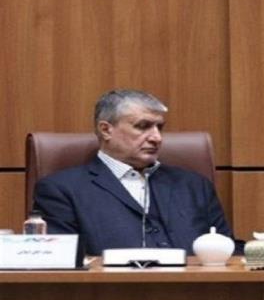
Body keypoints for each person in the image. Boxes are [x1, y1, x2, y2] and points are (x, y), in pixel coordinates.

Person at [33, 89, 239, 256]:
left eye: (159, 127)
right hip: (107, 293)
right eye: (143, 126)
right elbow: (60, 261)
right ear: (106, 130)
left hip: (198, 292)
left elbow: (229, 254)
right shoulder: (62, 190)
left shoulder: (194, 185)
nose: (157, 138)